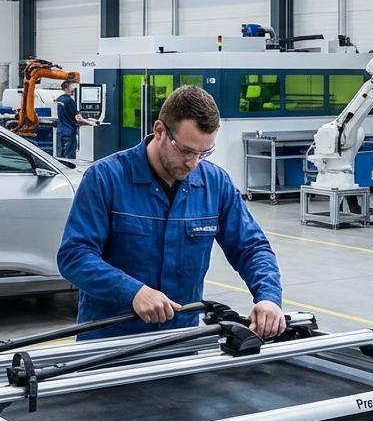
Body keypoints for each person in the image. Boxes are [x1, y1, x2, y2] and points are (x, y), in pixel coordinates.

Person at [57, 85, 286, 340]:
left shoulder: (215, 184)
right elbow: (75, 256)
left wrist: (268, 298)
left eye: (204, 152)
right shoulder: (105, 178)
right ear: (159, 131)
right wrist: (133, 292)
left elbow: (251, 247)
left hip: (180, 341)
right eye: (186, 150)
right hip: (109, 343)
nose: (194, 162)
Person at [53, 79, 97, 160]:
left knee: (60, 156)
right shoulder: (70, 101)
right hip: (69, 133)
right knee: (69, 158)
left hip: (60, 132)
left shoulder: (59, 99)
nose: (74, 87)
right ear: (67, 87)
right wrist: (91, 123)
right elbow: (79, 118)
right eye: (72, 86)